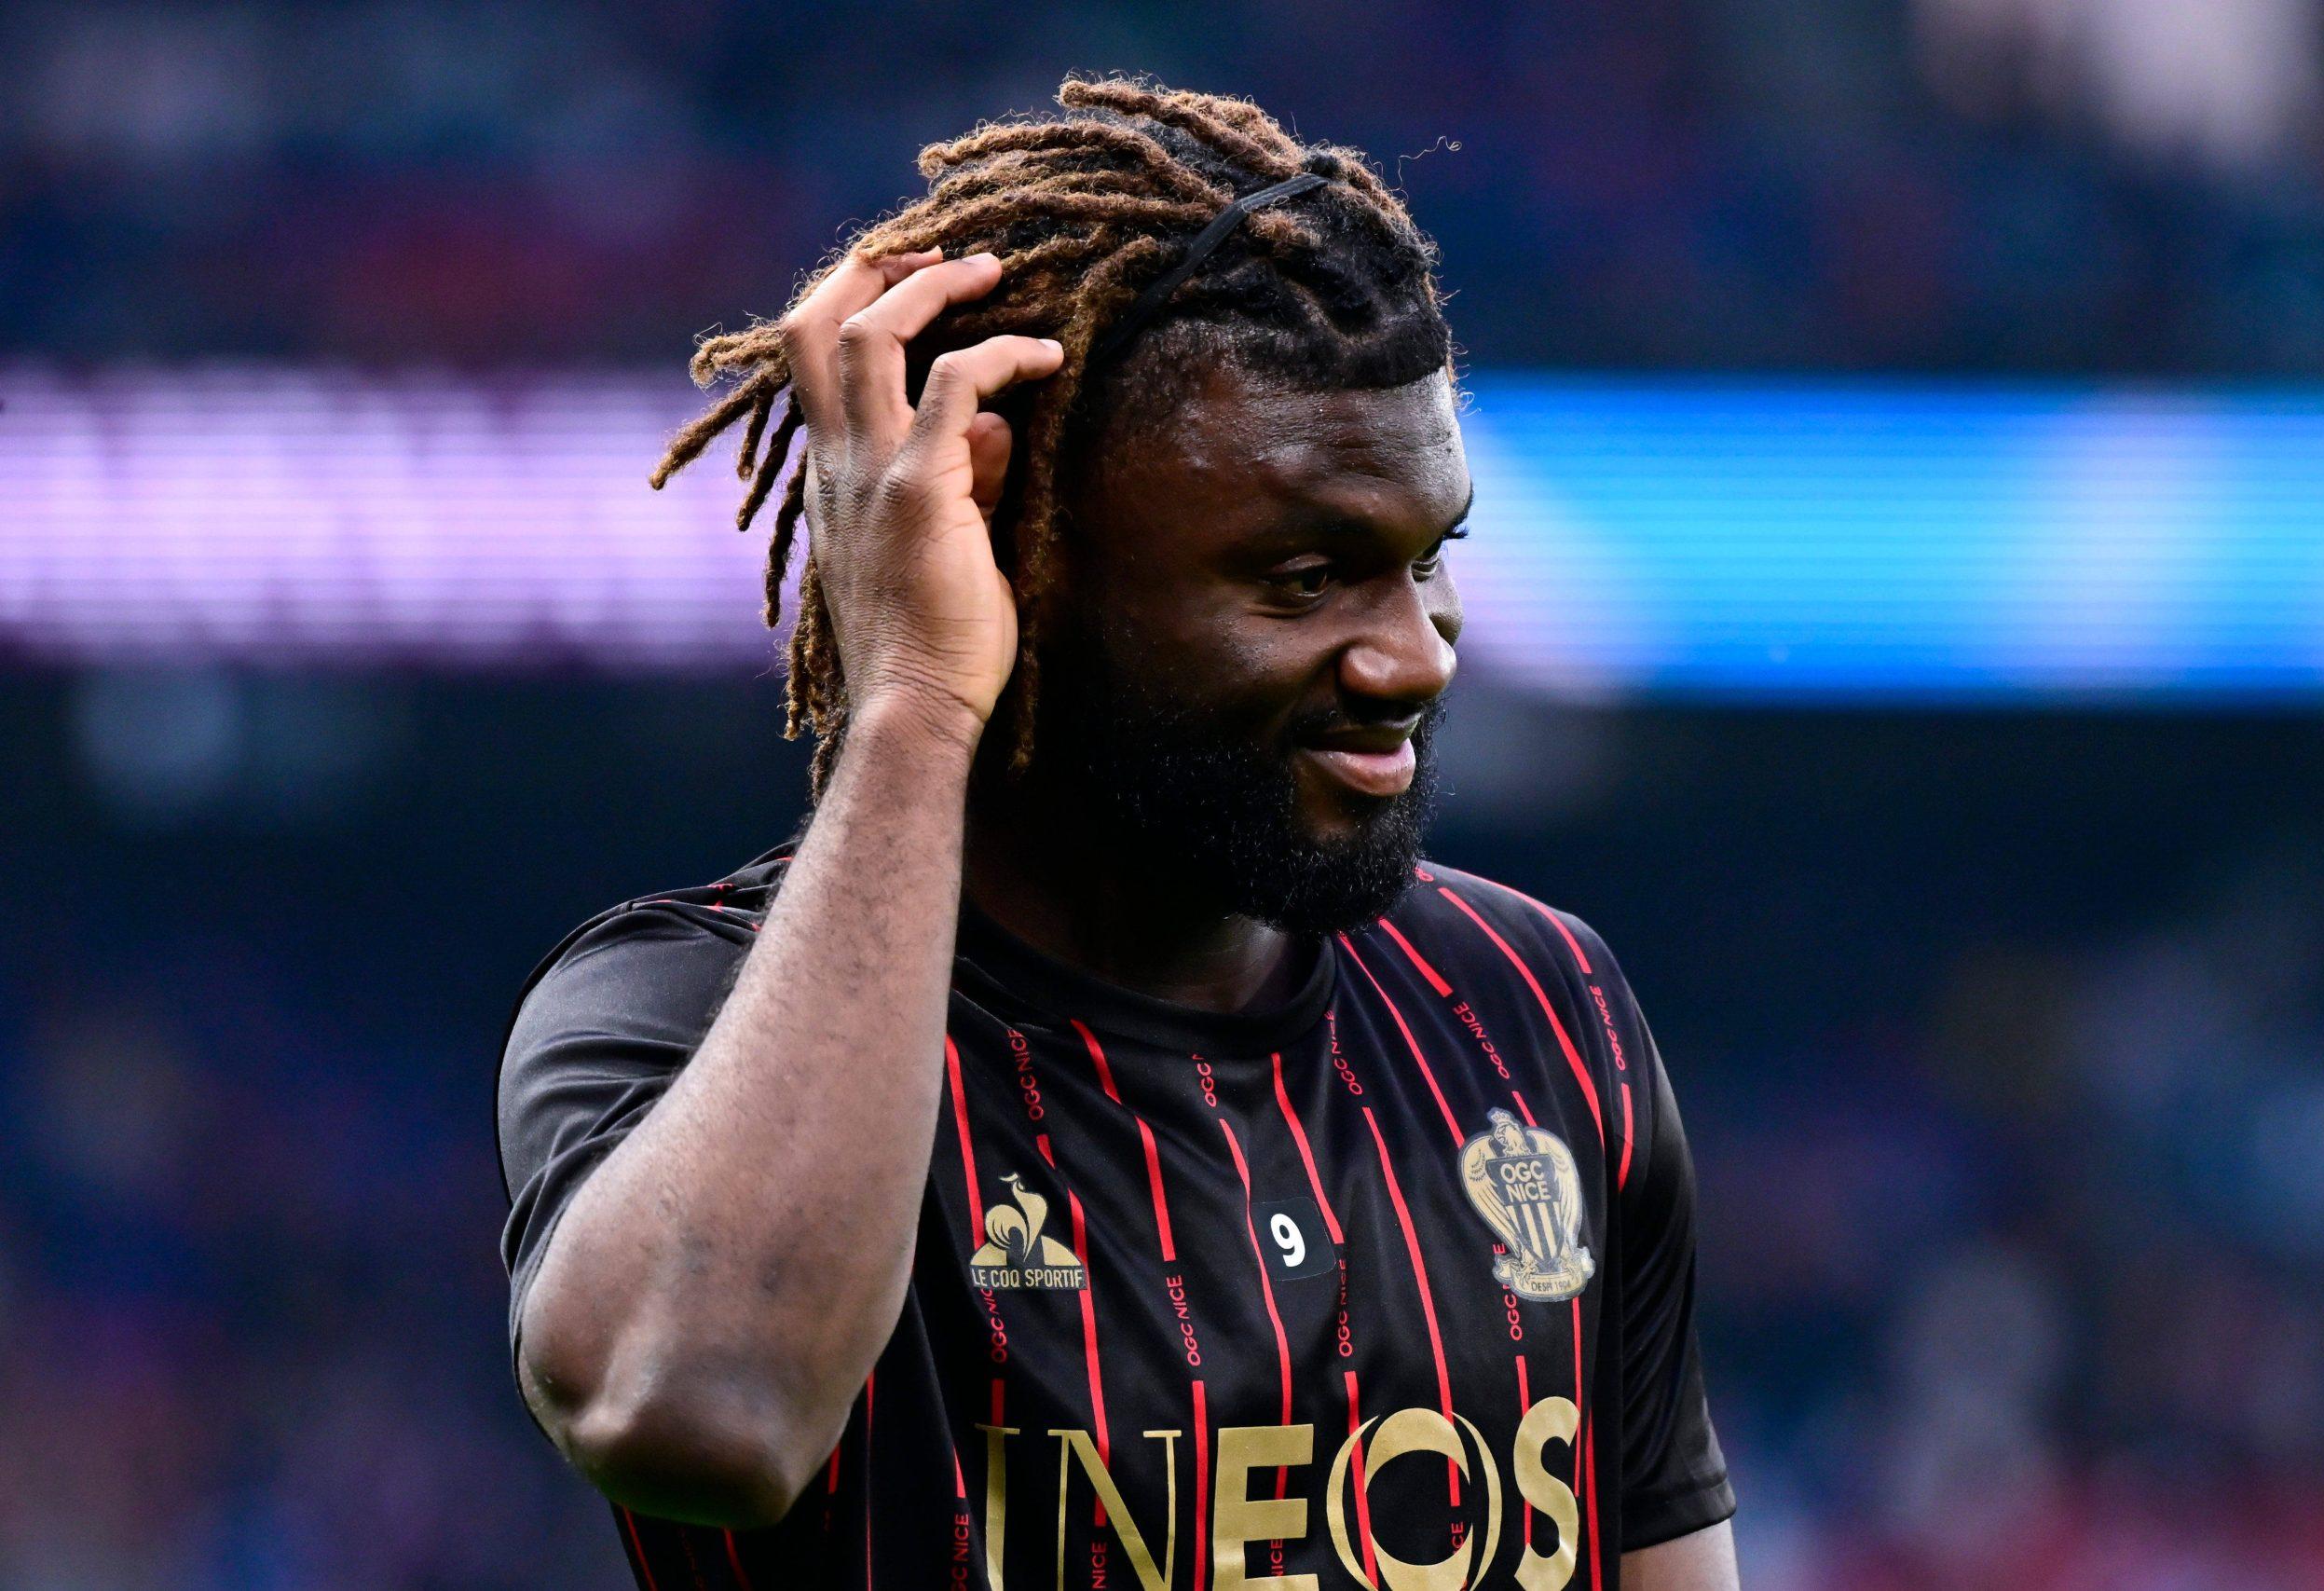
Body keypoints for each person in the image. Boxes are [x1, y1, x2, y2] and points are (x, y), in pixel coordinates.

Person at [496, 76, 1737, 1591]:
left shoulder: (1539, 1009)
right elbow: (704, 1415)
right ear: (1024, 572)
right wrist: (911, 704)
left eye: (1431, 557)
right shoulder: (675, 1016)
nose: (1414, 655)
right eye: (1306, 577)